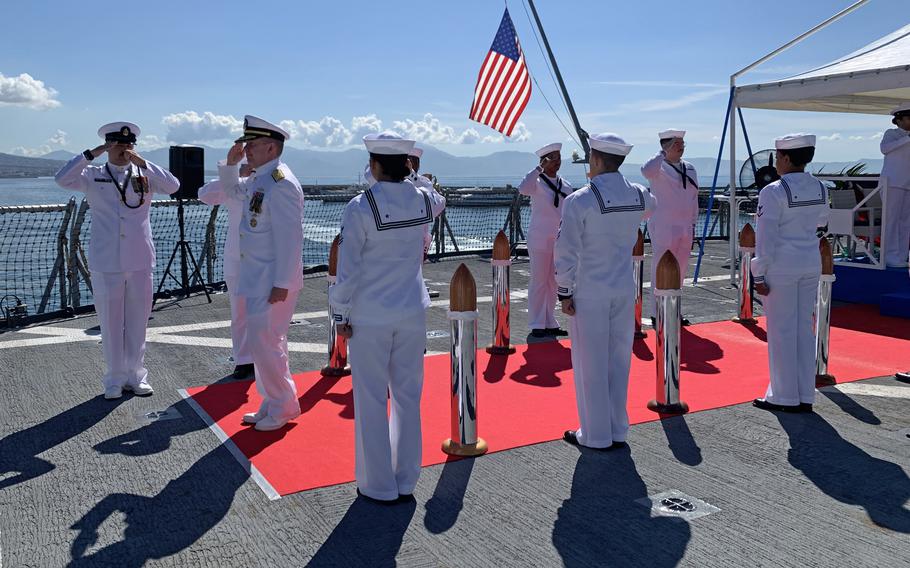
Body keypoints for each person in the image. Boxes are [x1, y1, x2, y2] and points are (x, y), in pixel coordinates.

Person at [330, 132, 446, 503]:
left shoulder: (360, 207)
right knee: (408, 398)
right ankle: (406, 479)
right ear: (407, 164)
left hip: (370, 315)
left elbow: (347, 271)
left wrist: (339, 315)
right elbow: (438, 198)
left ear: (374, 163)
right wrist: (416, 177)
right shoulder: (424, 200)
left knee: (370, 399)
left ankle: (377, 484)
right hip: (412, 310)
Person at [55, 122, 180, 399]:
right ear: (108, 145)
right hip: (107, 260)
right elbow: (62, 179)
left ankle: (136, 376)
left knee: (138, 321)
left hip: (139, 259)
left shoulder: (145, 174)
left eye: (128, 144)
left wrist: (143, 162)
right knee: (110, 322)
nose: (124, 149)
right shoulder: (92, 174)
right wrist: (93, 153)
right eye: (118, 144)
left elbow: (173, 186)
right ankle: (113, 379)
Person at [555, 133, 656, 450]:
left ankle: (595, 434)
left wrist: (564, 292)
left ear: (595, 159)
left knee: (590, 364)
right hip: (624, 288)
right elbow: (651, 206)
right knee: (618, 361)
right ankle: (617, 428)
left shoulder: (579, 201)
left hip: (590, 291)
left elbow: (565, 251)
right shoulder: (640, 195)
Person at [218, 115, 304, 431]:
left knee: (267, 343)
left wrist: (282, 283)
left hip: (272, 281)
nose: (246, 150)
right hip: (257, 277)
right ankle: (272, 401)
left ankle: (283, 407)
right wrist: (230, 164)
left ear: (270, 147)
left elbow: (290, 239)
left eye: (251, 145)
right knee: (264, 344)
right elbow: (232, 191)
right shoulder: (260, 179)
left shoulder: (281, 184)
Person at [752, 134, 829, 413]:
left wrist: (758, 274)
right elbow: (821, 223)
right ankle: (805, 393)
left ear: (784, 158)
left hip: (782, 267)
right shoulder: (820, 187)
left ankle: (783, 396)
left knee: (782, 331)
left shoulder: (773, 191)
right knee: (802, 330)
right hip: (810, 263)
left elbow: (766, 238)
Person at [197, 163, 255, 381]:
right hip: (236, 256)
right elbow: (204, 194)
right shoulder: (235, 186)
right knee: (239, 311)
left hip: (265, 258)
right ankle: (243, 359)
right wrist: (233, 173)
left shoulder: (272, 183)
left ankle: (265, 357)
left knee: (266, 313)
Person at [641, 129, 699, 324]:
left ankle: (674, 310)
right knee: (661, 268)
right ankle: (657, 312)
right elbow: (646, 170)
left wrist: (693, 224)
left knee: (680, 269)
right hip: (664, 225)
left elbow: (693, 199)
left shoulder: (689, 168)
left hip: (684, 226)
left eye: (682, 143)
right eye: (676, 143)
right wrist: (662, 153)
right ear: (666, 146)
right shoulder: (658, 167)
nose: (681, 146)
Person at [519, 142, 574, 338]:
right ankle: (536, 322)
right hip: (540, 238)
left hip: (558, 239)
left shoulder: (565, 185)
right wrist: (539, 168)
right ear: (543, 160)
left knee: (553, 281)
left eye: (559, 157)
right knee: (539, 281)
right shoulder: (537, 182)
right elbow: (523, 188)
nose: (557, 161)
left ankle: (550, 321)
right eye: (552, 157)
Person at [880, 103, 910, 268]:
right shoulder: (892, 134)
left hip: (907, 183)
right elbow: (884, 149)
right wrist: (907, 139)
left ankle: (902, 255)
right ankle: (889, 255)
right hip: (892, 182)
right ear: (898, 119)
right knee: (891, 221)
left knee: (905, 222)